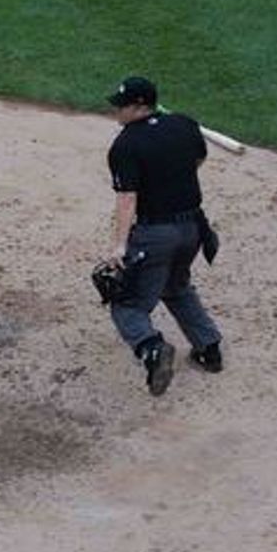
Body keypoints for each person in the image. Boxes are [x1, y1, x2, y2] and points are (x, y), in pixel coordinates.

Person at [102, 75, 223, 396]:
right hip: (193, 229)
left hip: (156, 235)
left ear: (139, 106)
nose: (117, 111)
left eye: (122, 106)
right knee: (175, 286)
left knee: (126, 304)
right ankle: (209, 348)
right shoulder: (184, 125)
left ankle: (152, 349)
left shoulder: (126, 144)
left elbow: (127, 199)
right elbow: (199, 158)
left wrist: (119, 245)